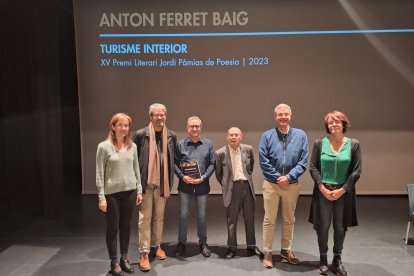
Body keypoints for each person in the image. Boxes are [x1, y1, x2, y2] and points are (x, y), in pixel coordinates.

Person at [308, 111, 362, 276]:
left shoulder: (353, 144)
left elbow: (357, 171)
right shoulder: (319, 144)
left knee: (340, 227)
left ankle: (337, 259)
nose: (333, 125)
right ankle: (323, 259)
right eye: (330, 123)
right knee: (323, 226)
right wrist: (322, 187)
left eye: (336, 122)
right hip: (323, 191)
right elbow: (313, 167)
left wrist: (343, 189)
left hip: (344, 192)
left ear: (343, 124)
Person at [259, 103, 308, 269]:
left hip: (292, 185)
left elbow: (303, 161)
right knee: (269, 220)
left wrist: (288, 177)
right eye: (280, 114)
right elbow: (263, 161)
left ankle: (286, 250)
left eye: (286, 114)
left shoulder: (301, 135)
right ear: (275, 117)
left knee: (289, 219)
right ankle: (267, 252)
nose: (283, 117)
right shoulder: (267, 136)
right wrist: (278, 178)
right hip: (271, 185)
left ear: (290, 116)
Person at [132, 103, 178, 272]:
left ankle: (156, 245)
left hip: (163, 185)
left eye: (162, 115)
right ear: (150, 116)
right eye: (156, 115)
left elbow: (175, 159)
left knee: (159, 217)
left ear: (166, 116)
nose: (160, 118)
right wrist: (136, 186)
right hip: (146, 185)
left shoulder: (171, 136)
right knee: (145, 218)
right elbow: (133, 161)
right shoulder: (140, 134)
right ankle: (144, 252)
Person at [96, 113, 143, 276]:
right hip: (111, 194)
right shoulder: (103, 147)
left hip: (130, 192)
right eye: (121, 125)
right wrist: (101, 196)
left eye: (127, 125)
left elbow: (136, 169)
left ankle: (124, 258)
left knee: (126, 226)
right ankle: (114, 260)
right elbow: (99, 172)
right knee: (112, 228)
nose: (124, 128)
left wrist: (139, 189)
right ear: (113, 126)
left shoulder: (133, 146)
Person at [215, 127, 262, 259]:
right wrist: (227, 184)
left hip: (246, 186)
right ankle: (232, 247)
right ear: (227, 137)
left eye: (236, 135)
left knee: (250, 218)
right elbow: (218, 174)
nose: (234, 137)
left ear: (241, 136)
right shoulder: (220, 153)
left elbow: (250, 167)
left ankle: (252, 246)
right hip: (232, 188)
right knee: (232, 220)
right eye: (231, 135)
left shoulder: (248, 149)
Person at [174, 116, 215, 258]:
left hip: (202, 186)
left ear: (200, 127)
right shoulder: (180, 144)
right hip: (184, 186)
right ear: (187, 128)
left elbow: (212, 164)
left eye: (197, 126)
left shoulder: (208, 144)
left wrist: (203, 178)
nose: (195, 129)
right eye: (192, 126)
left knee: (202, 216)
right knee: (183, 216)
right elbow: (174, 163)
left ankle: (203, 243)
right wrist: (182, 176)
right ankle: (182, 243)